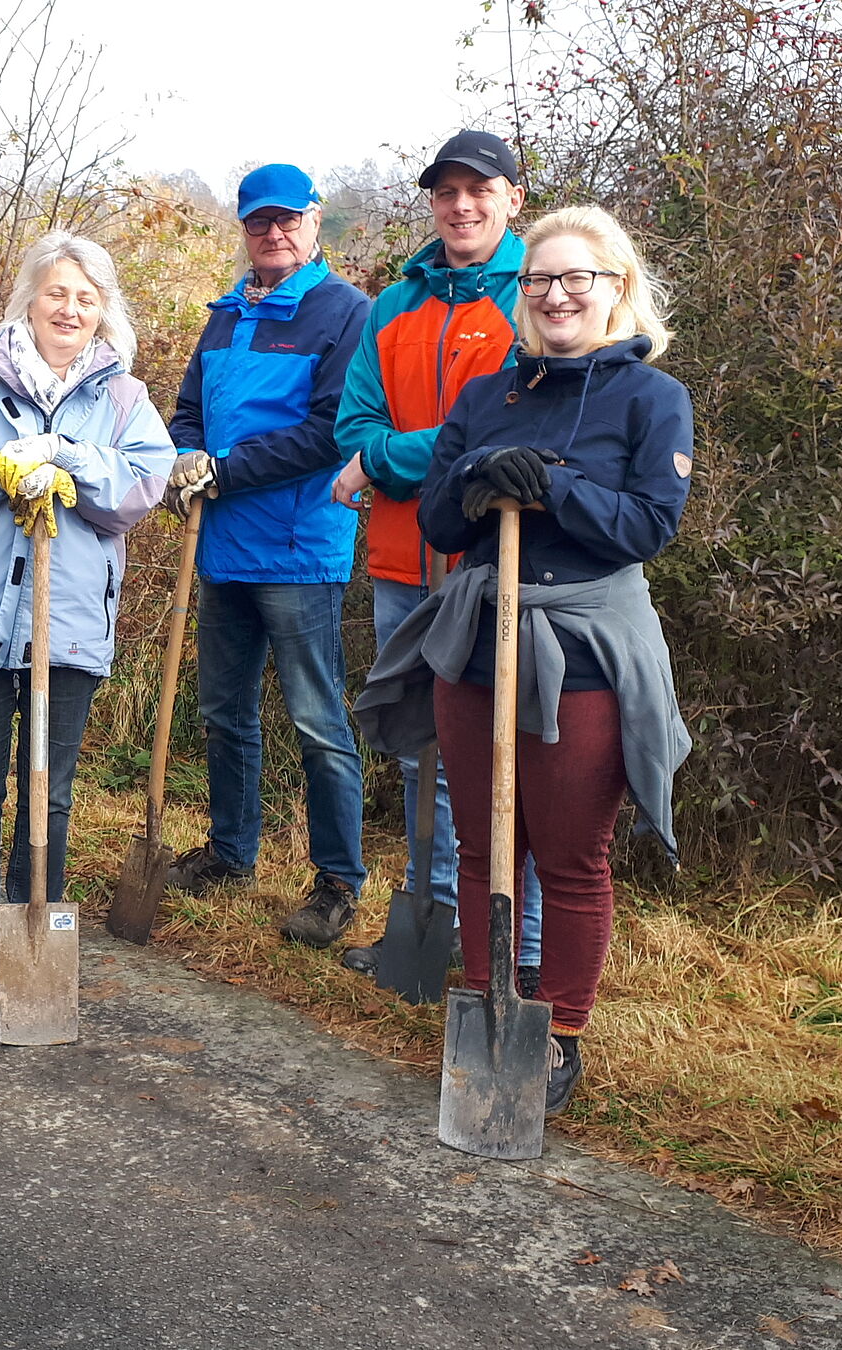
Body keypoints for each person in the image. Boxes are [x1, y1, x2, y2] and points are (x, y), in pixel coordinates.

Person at [355, 205, 694, 1115]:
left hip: (582, 648)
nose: (555, 296)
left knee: (570, 853)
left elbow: (648, 526)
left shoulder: (650, 399)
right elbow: (434, 520)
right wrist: (475, 482)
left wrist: (556, 486)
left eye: (577, 279)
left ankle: (562, 1038)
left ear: (616, 289)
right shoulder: (487, 395)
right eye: (539, 281)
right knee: (484, 841)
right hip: (478, 638)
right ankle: (487, 1006)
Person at [0, 231, 174, 1006]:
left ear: (103, 313)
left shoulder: (124, 399)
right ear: (30, 299)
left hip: (72, 626)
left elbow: (138, 489)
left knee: (49, 792)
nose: (70, 308)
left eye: (86, 298)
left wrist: (68, 460)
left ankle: (31, 923)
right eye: (57, 292)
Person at [330, 129, 546, 980]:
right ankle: (430, 921)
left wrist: (386, 459)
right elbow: (353, 429)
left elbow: (511, 436)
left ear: (511, 199)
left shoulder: (538, 294)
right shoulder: (393, 305)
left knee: (498, 757)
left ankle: (516, 950)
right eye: (446, 191)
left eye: (479, 189)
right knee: (420, 749)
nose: (461, 205)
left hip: (499, 564)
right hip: (401, 560)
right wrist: (417, 453)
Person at [159, 164, 374, 941]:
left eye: (287, 220)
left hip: (299, 549)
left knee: (317, 718)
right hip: (220, 547)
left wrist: (223, 469)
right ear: (244, 230)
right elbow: (188, 412)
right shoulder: (224, 316)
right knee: (223, 710)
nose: (273, 234)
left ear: (315, 222)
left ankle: (337, 882)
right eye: (258, 223)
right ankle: (229, 851)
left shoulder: (345, 314)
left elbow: (331, 432)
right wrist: (185, 456)